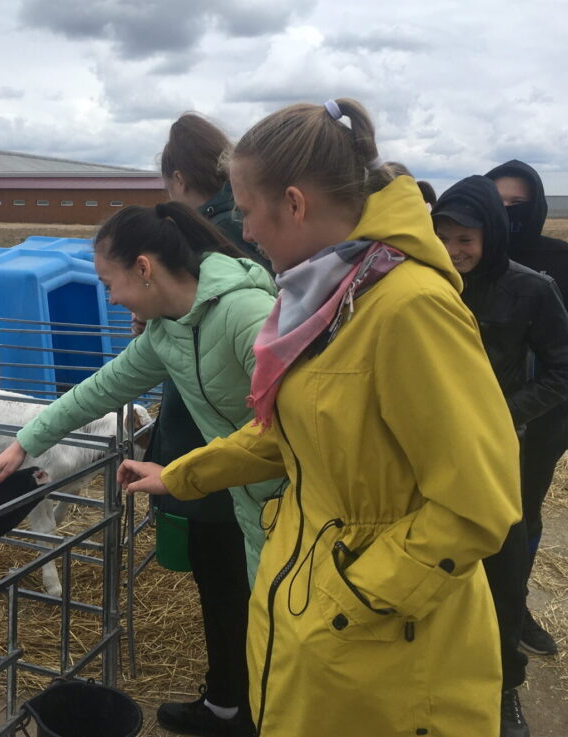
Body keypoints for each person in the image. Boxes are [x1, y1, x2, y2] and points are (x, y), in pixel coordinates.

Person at [119, 98, 521, 737]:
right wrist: (182, 476)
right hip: (315, 605)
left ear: (295, 204)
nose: (246, 231)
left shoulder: (409, 308)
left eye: (248, 211)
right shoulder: (332, 297)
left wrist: (350, 601)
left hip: (383, 645)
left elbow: (478, 504)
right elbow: (295, 430)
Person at [0, 200, 277, 737]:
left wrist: (178, 474)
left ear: (144, 268)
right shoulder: (168, 332)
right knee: (264, 631)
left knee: (286, 638)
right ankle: (244, 714)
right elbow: (102, 387)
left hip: (293, 503)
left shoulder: (245, 314)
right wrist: (25, 443)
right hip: (251, 505)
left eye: (110, 283)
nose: (110, 298)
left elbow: (285, 429)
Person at [433, 176, 568, 737]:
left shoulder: (531, 288)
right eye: (442, 237)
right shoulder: (422, 283)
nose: (453, 251)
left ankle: (503, 689)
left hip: (498, 456)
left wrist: (503, 413)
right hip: (429, 455)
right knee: (434, 568)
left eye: (466, 239)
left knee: (502, 572)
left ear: (491, 236)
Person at [147, 113, 278, 736]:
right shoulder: (249, 234)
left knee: (226, 584)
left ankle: (234, 704)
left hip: (218, 451)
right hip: (247, 450)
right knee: (247, 583)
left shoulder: (209, 244)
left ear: (177, 178)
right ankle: (251, 700)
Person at [484, 160, 568, 656]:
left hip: (537, 422)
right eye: (499, 203)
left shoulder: (564, 261)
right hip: (470, 423)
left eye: (519, 204)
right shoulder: (466, 255)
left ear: (537, 207)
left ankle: (514, 610)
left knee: (523, 517)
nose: (509, 213)